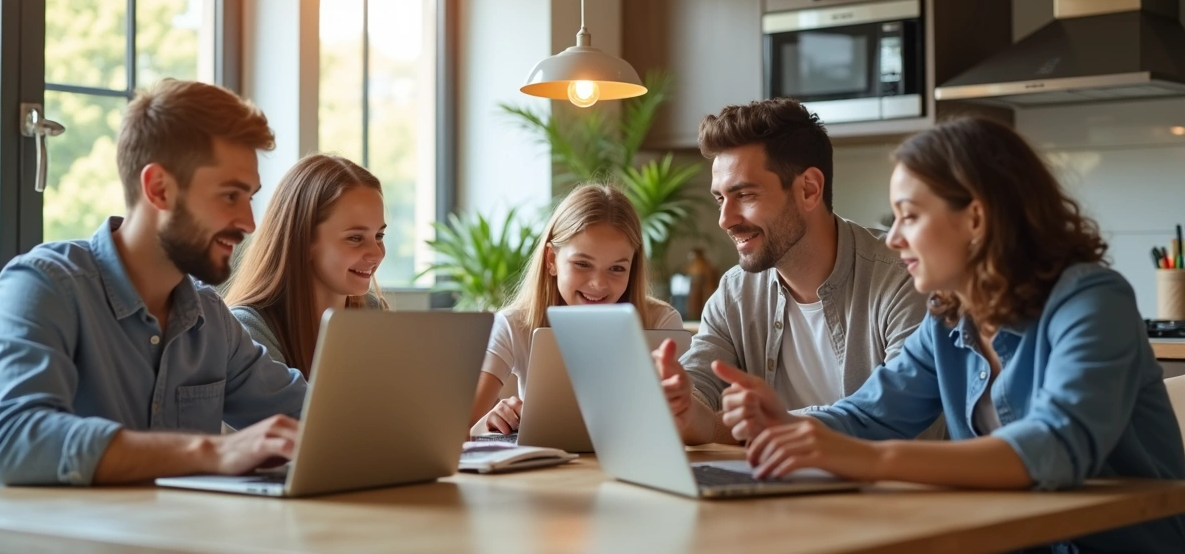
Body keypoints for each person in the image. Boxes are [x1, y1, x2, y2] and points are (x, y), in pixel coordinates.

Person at [719, 117, 1185, 553]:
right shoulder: (949, 320)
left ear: (976, 219)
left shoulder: (1092, 302)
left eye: (910, 216)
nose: (895, 238)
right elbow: (866, 416)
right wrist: (789, 422)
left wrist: (871, 461)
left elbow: (1055, 448)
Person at [0, 79, 306, 488]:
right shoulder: (43, 285)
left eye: (250, 197)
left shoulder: (211, 319)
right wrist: (212, 451)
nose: (249, 223)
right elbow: (18, 443)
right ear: (159, 189)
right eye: (230, 196)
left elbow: (309, 414)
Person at [653, 98, 928, 445]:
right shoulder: (736, 292)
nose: (726, 220)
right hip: (777, 491)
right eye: (721, 199)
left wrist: (724, 426)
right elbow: (698, 383)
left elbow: (899, 416)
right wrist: (681, 402)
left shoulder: (904, 277)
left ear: (809, 189)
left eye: (745, 195)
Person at [469, 184, 684, 435]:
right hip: (549, 470)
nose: (598, 284)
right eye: (582, 264)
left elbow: (679, 425)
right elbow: (460, 432)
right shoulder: (514, 324)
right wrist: (488, 423)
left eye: (617, 268)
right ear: (552, 260)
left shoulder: (660, 322)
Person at [226, 153, 389, 375]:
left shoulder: (372, 313)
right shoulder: (248, 328)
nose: (376, 254)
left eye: (379, 235)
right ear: (303, 240)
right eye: (355, 238)